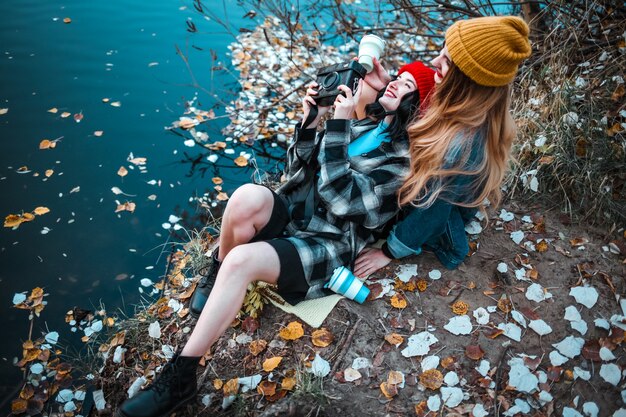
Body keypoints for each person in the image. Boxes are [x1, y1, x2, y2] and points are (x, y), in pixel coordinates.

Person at [116, 61, 435, 417]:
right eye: (398, 78)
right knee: (244, 198)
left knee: (242, 261)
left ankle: (180, 378)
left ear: (420, 105)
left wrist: (339, 125)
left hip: (326, 244)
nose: (395, 85)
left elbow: (340, 198)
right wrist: (313, 121)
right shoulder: (366, 124)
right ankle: (214, 272)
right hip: (300, 216)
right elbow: (295, 174)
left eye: (409, 85)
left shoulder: (403, 162)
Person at [353, 16, 532, 278]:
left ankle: (439, 243)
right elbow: (429, 112)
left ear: (467, 81)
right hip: (433, 190)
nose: (435, 61)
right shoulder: (468, 106)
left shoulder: (462, 147)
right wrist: (390, 87)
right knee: (370, 94)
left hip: (441, 216)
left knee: (432, 216)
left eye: (446, 61)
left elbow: (431, 213)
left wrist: (388, 251)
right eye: (442, 51)